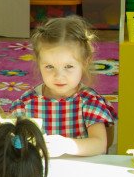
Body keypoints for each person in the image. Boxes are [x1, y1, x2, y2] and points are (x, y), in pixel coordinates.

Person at [7, 16, 116, 157]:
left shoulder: (89, 101)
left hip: (82, 173)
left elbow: (100, 145)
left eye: (68, 66)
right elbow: (13, 143)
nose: (58, 76)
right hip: (39, 173)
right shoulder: (26, 103)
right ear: (38, 62)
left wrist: (67, 145)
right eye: (49, 66)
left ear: (85, 62)